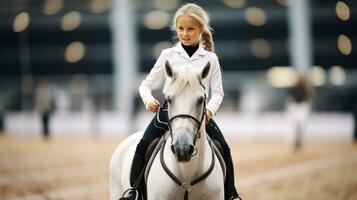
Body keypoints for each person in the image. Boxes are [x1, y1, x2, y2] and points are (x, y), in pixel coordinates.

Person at [120, 3, 241, 200]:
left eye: (190, 28)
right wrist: (148, 99)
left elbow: (218, 93)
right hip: (169, 111)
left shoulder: (210, 58)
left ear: (200, 29)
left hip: (199, 114)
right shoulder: (168, 55)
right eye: (181, 28)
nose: (185, 33)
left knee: (224, 148)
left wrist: (209, 110)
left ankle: (230, 194)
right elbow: (145, 85)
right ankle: (133, 191)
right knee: (143, 145)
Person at [286, 71, 313, 151]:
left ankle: (300, 141)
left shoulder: (306, 88)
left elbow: (308, 97)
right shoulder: (293, 87)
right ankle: (295, 141)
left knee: (301, 125)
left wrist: (306, 102)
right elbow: (289, 97)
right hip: (294, 107)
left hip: (302, 107)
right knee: (294, 125)